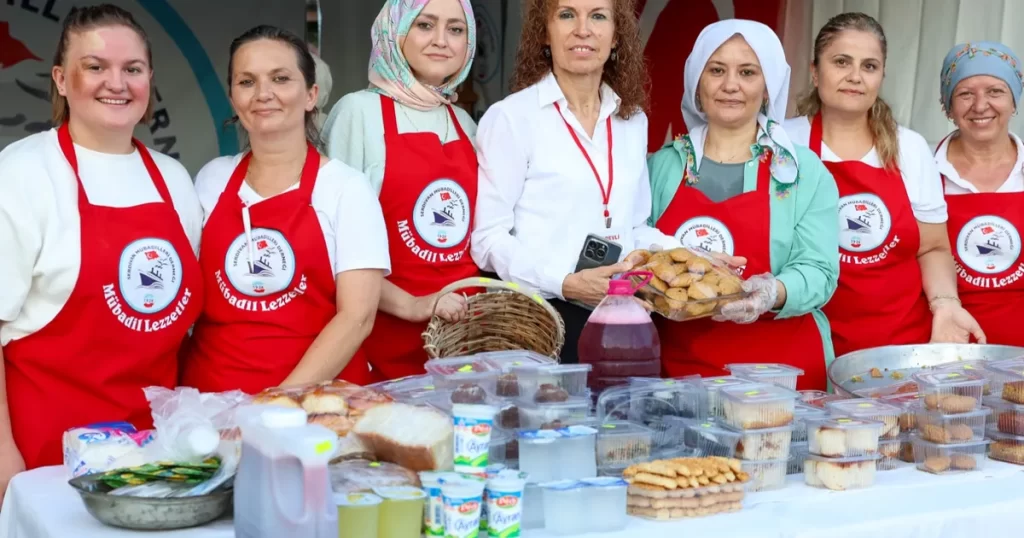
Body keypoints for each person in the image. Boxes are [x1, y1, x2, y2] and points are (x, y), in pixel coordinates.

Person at [0, 4, 203, 478]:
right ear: (62, 79)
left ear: (148, 79)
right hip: (47, 457)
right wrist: (3, 454)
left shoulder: (173, 180)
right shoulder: (21, 173)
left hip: (157, 457)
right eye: (95, 67)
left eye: (131, 69)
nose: (117, 83)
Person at [181, 26, 389, 394]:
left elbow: (357, 318)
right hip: (212, 404)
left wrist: (278, 402)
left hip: (315, 408)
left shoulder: (346, 189)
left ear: (311, 95)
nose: (264, 94)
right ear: (232, 98)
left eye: (280, 79)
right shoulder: (211, 180)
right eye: (247, 82)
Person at [472, 0, 678, 364]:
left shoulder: (633, 121)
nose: (583, 29)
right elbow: (488, 239)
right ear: (545, 32)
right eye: (567, 14)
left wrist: (697, 259)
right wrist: (564, 282)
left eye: (598, 16)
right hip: (543, 320)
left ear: (616, 38)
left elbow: (634, 227)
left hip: (625, 320)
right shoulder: (511, 118)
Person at [647, 19, 839, 390]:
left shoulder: (803, 171)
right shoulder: (661, 166)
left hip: (783, 378)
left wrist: (772, 292)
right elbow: (635, 255)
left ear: (768, 87)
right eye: (716, 70)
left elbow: (820, 270)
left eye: (748, 72)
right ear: (696, 84)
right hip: (677, 376)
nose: (730, 85)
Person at [785, 13, 985, 357]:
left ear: (882, 76)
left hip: (903, 347)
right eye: (841, 62)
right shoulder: (785, 144)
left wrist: (946, 305)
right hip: (810, 343)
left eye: (869, 66)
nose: (855, 77)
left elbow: (933, 247)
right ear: (815, 71)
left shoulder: (909, 147)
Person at [323, 0, 478, 381]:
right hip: (381, 333)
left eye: (456, 30)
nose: (441, 40)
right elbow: (330, 245)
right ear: (395, 32)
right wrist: (414, 305)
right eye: (425, 25)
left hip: (461, 339)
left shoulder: (464, 122)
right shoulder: (357, 112)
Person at [935, 41, 1024, 346]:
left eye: (995, 91)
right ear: (948, 106)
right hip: (946, 347)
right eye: (965, 94)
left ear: (1014, 101)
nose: (980, 105)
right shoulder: (921, 171)